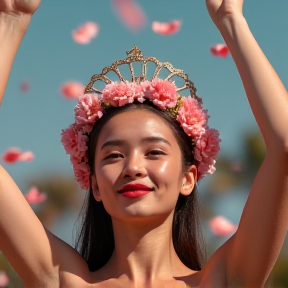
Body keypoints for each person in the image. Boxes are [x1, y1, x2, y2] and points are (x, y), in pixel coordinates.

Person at [0, 0, 287, 288]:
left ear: (188, 178)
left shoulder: (220, 281)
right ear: (96, 185)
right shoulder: (67, 282)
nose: (133, 167)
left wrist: (231, 19)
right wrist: (12, 19)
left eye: (154, 152)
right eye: (113, 155)